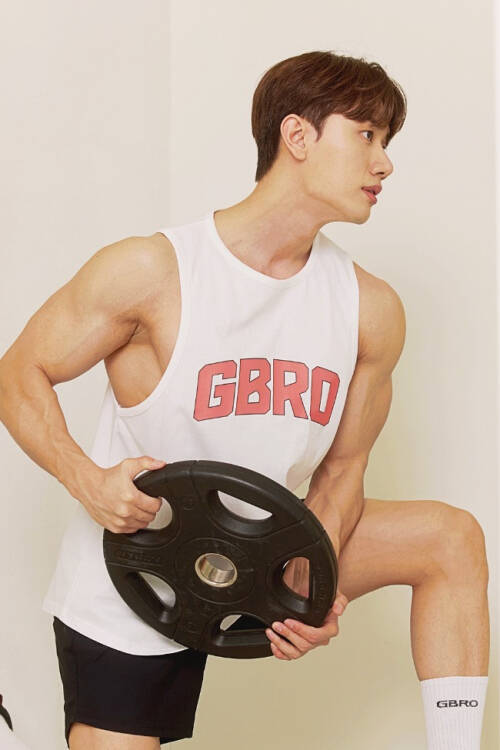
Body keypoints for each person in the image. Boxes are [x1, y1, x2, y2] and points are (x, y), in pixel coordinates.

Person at [0, 50, 490, 750]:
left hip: (265, 554)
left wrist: (312, 579)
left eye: (387, 142)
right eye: (366, 135)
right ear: (298, 135)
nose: (385, 164)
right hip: (140, 567)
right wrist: (89, 481)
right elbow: (18, 373)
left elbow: (344, 471)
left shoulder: (370, 310)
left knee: (450, 539)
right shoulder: (154, 272)